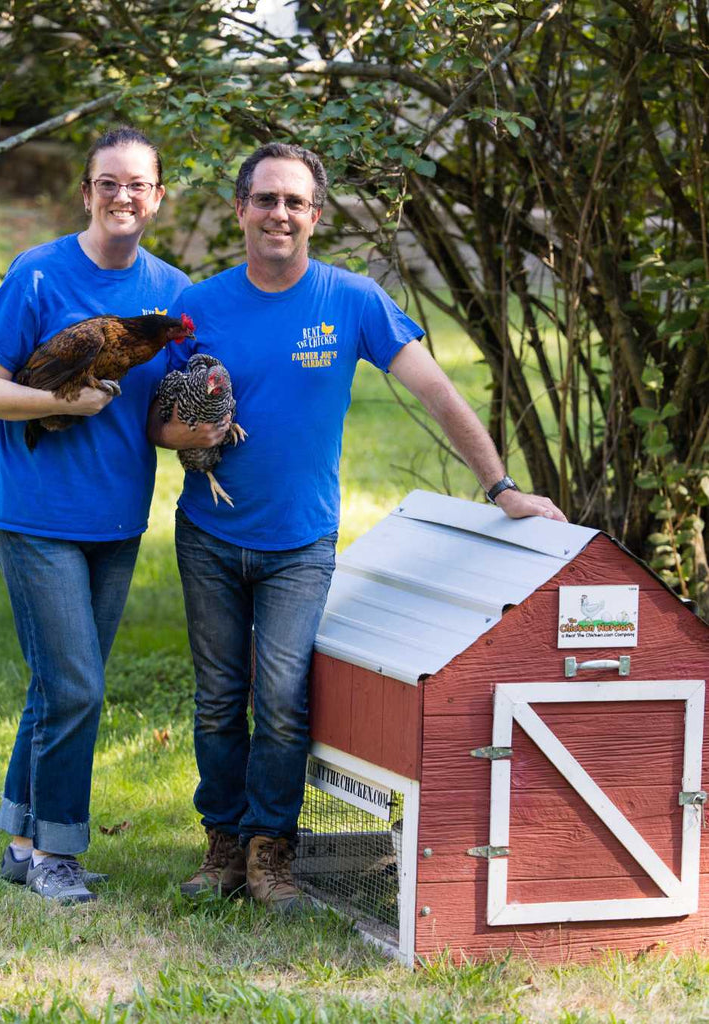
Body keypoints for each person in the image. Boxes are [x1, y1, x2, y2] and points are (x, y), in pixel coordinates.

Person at [148, 141, 566, 912]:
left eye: (294, 201)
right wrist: (189, 432)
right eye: (265, 199)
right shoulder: (197, 307)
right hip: (208, 536)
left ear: (314, 215)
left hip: (300, 544)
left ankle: (271, 848)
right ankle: (222, 845)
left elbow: (437, 392)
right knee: (217, 698)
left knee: (280, 698)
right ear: (240, 209)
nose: (279, 213)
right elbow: (155, 423)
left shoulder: (352, 300)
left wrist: (501, 486)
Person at [0, 126, 198, 903]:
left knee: (57, 687)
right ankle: (57, 852)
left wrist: (197, 429)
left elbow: (156, 415)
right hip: (35, 509)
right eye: (108, 182)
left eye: (138, 184)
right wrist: (66, 401)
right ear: (87, 191)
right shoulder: (39, 274)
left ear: (157, 197)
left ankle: (20, 841)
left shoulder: (171, 291)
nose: (122, 196)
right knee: (76, 688)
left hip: (115, 517)